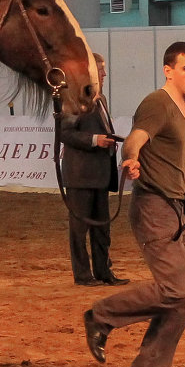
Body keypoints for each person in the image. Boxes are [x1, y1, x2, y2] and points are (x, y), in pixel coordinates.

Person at [82, 41, 185, 367]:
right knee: (177, 291)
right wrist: (130, 159)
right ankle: (100, 316)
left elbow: (177, 161)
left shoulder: (184, 112)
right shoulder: (157, 103)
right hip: (154, 206)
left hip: (175, 207)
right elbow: (135, 139)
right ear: (168, 70)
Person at [59, 53, 128, 287]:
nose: (104, 74)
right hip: (80, 175)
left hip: (100, 173)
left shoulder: (101, 99)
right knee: (79, 229)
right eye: (100, 70)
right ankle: (82, 274)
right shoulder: (71, 98)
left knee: (102, 228)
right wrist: (95, 140)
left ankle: (103, 271)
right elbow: (65, 133)